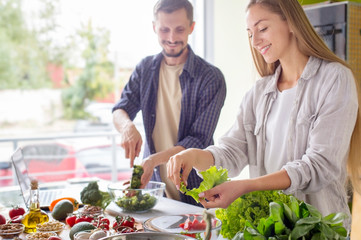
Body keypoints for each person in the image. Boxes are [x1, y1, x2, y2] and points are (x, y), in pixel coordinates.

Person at [167, 0, 360, 231]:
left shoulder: (335, 79)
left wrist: (248, 186)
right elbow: (233, 150)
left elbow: (320, 165)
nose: (255, 41)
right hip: (270, 230)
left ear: (290, 23)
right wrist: (195, 156)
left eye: (262, 28)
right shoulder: (258, 93)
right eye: (250, 34)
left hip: (319, 231)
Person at [112, 0, 226, 206]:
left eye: (179, 29)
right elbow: (120, 108)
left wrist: (152, 160)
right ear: (154, 28)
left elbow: (198, 140)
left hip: (197, 192)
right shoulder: (145, 69)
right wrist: (127, 127)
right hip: (155, 191)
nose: (172, 38)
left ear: (192, 27)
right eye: (164, 29)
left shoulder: (210, 77)